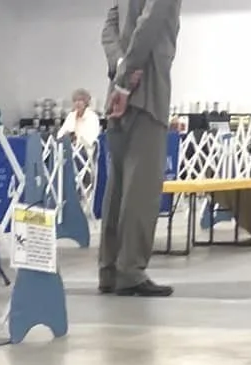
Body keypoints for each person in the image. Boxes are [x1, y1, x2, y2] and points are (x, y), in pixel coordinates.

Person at [99, 0, 182, 300]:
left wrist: (119, 65)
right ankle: (131, 270)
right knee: (141, 188)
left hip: (116, 95)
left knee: (118, 186)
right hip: (146, 90)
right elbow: (151, 21)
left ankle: (109, 269)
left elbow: (108, 29)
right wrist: (128, 71)